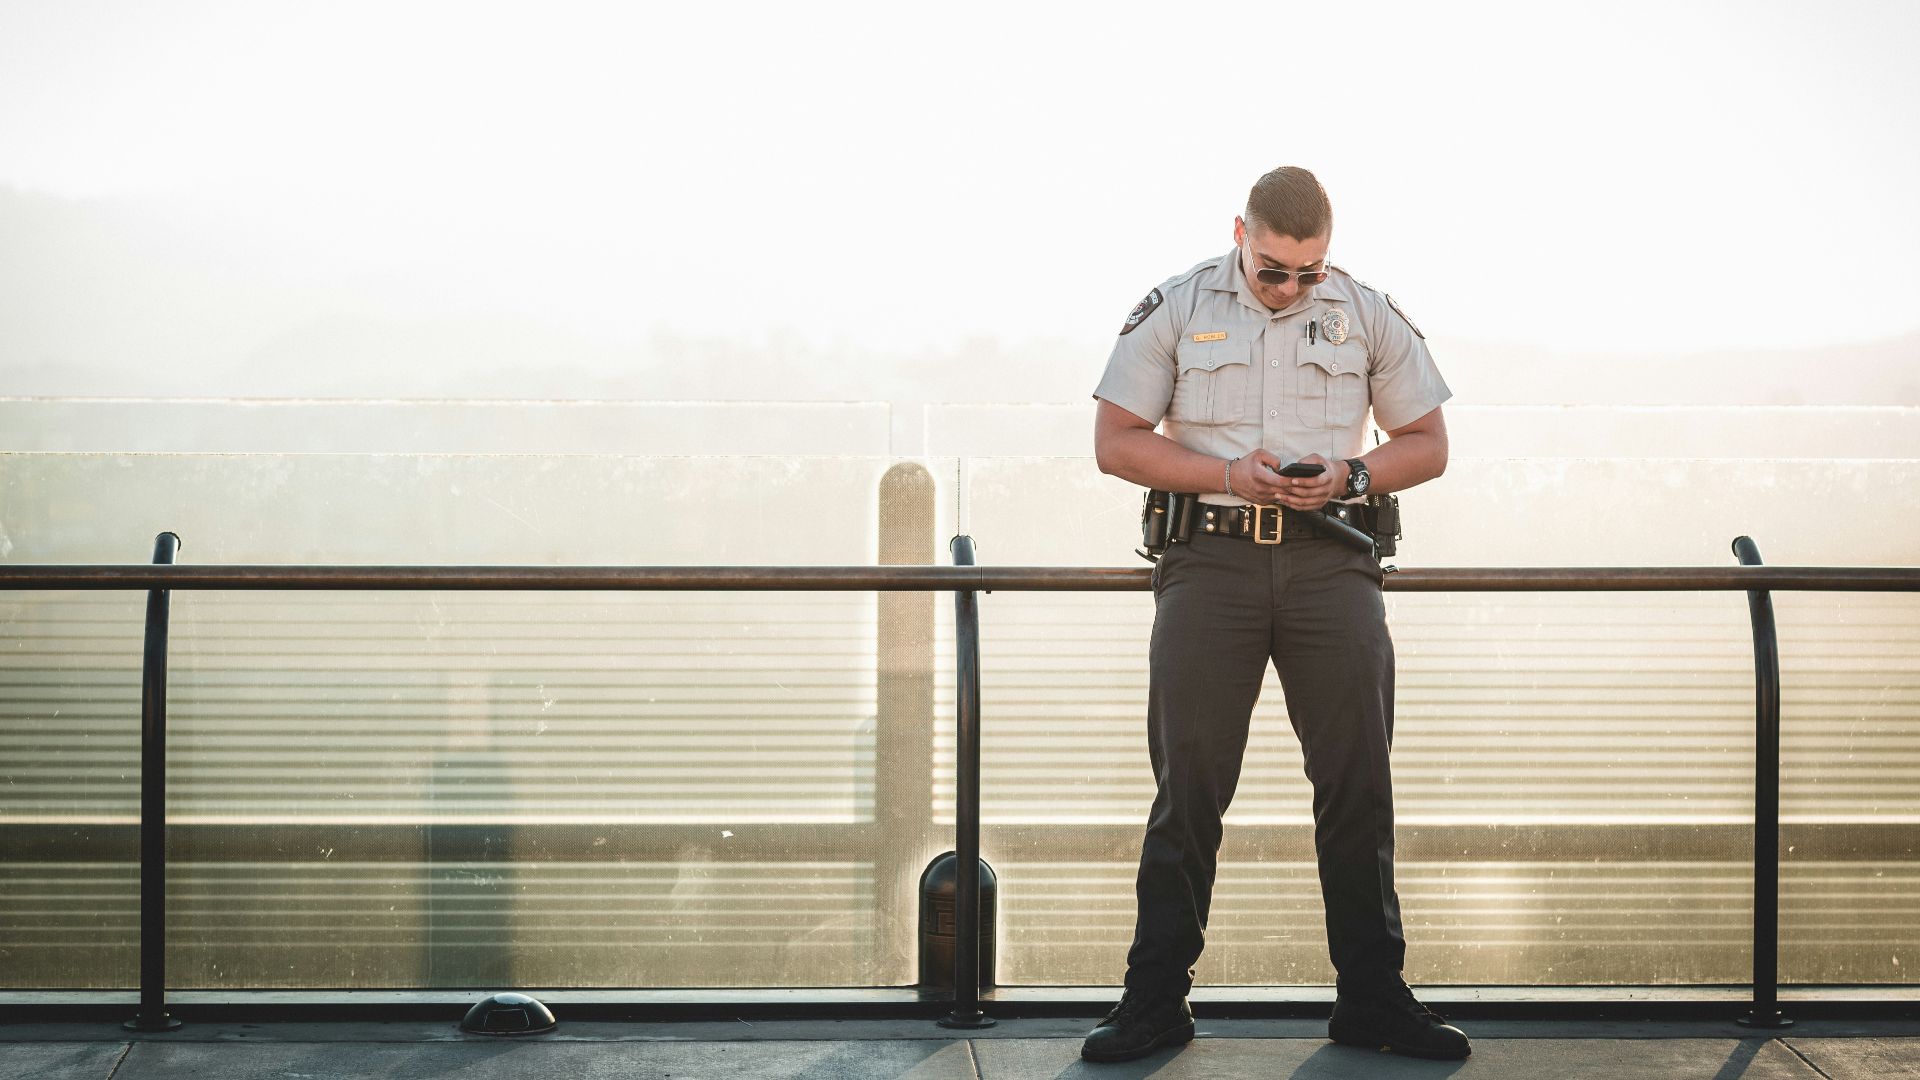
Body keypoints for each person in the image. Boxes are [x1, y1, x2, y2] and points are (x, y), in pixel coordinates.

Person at [1080, 166, 1467, 1062]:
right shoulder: (1176, 305)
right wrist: (1226, 473)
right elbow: (1115, 441)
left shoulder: (1366, 312)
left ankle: (1372, 997)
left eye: (1309, 271)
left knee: (1359, 784)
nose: (1291, 287)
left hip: (1334, 563)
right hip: (1209, 563)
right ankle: (1152, 1002)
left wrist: (1353, 475)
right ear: (1241, 236)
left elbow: (1429, 442)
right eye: (1273, 269)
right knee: (1191, 786)